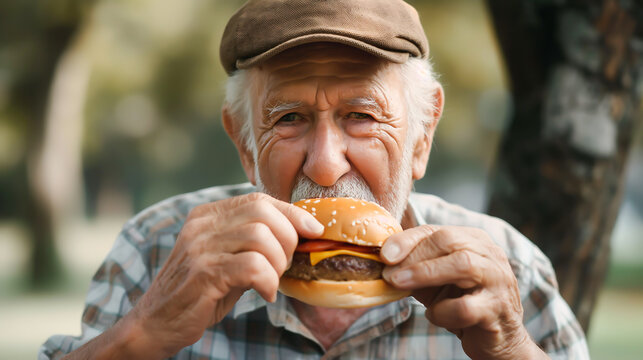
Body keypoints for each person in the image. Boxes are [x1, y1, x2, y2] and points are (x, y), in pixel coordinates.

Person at [40, 0, 590, 359]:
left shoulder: (506, 267)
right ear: (243, 142)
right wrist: (141, 337)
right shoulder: (156, 250)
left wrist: (514, 346)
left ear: (422, 136)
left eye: (362, 115)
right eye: (289, 119)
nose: (325, 165)